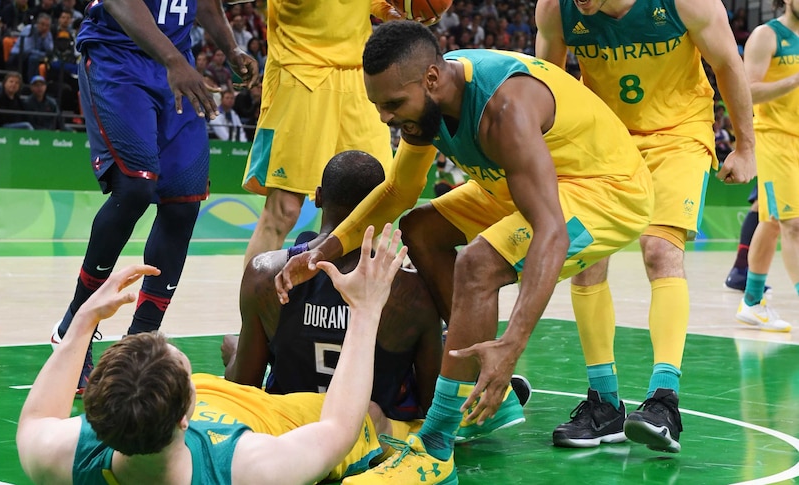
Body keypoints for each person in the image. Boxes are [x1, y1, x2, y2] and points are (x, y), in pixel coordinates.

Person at [277, 21, 654, 484]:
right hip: (525, 184)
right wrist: (322, 249)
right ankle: (487, 401)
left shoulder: (503, 110)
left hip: (605, 189)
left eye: (393, 105)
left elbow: (551, 231)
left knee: (479, 263)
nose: (385, 119)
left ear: (432, 79)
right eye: (379, 106)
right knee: (422, 228)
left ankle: (436, 444)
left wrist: (511, 346)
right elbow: (398, 192)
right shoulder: (425, 106)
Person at [17, 223, 415, 484]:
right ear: (186, 416)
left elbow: (37, 418)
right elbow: (338, 430)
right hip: (272, 415)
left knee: (234, 349)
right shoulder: (246, 468)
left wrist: (83, 319)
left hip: (226, 406)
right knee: (374, 418)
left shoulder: (65, 455)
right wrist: (365, 309)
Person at [535, 0, 756, 453]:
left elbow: (728, 64)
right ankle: (603, 404)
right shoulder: (556, 9)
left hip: (677, 133)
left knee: (659, 249)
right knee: (587, 259)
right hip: (602, 137)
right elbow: (546, 83)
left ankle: (664, 401)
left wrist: (745, 146)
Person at [48, 0, 257, 394]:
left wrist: (231, 48)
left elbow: (206, 4)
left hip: (174, 65)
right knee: (136, 186)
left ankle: (139, 344)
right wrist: (175, 60)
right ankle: (75, 326)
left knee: (184, 203)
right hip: (118, 58)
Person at [227, 150, 444, 422]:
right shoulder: (414, 291)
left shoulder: (262, 272)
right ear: (382, 207)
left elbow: (243, 388)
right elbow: (433, 403)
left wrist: (234, 353)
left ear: (318, 197)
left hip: (291, 429)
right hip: (370, 436)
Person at [239, 0, 410, 267]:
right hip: (301, 73)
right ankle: (252, 306)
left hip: (357, 77)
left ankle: (380, 306)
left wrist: (390, 10)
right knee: (284, 209)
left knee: (373, 204)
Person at [734, 0, 799, 333]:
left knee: (772, 222)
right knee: (793, 223)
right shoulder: (767, 35)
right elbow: (747, 91)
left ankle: (751, 302)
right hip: (775, 139)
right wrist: (795, 80)